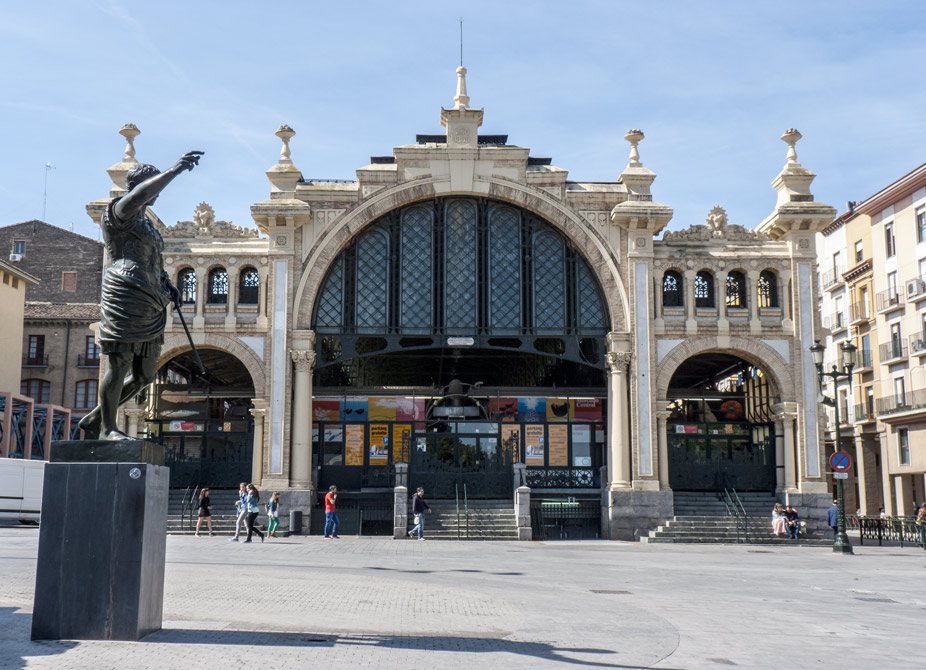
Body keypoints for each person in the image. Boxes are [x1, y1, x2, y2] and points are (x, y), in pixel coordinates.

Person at [77, 151, 203, 440]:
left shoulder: (147, 224)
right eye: (152, 185)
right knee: (118, 363)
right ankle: (108, 429)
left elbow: (153, 260)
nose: (156, 193)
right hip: (125, 294)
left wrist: (167, 284)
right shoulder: (119, 212)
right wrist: (174, 171)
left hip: (151, 300)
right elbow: (139, 195)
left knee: (146, 375)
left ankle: (96, 418)